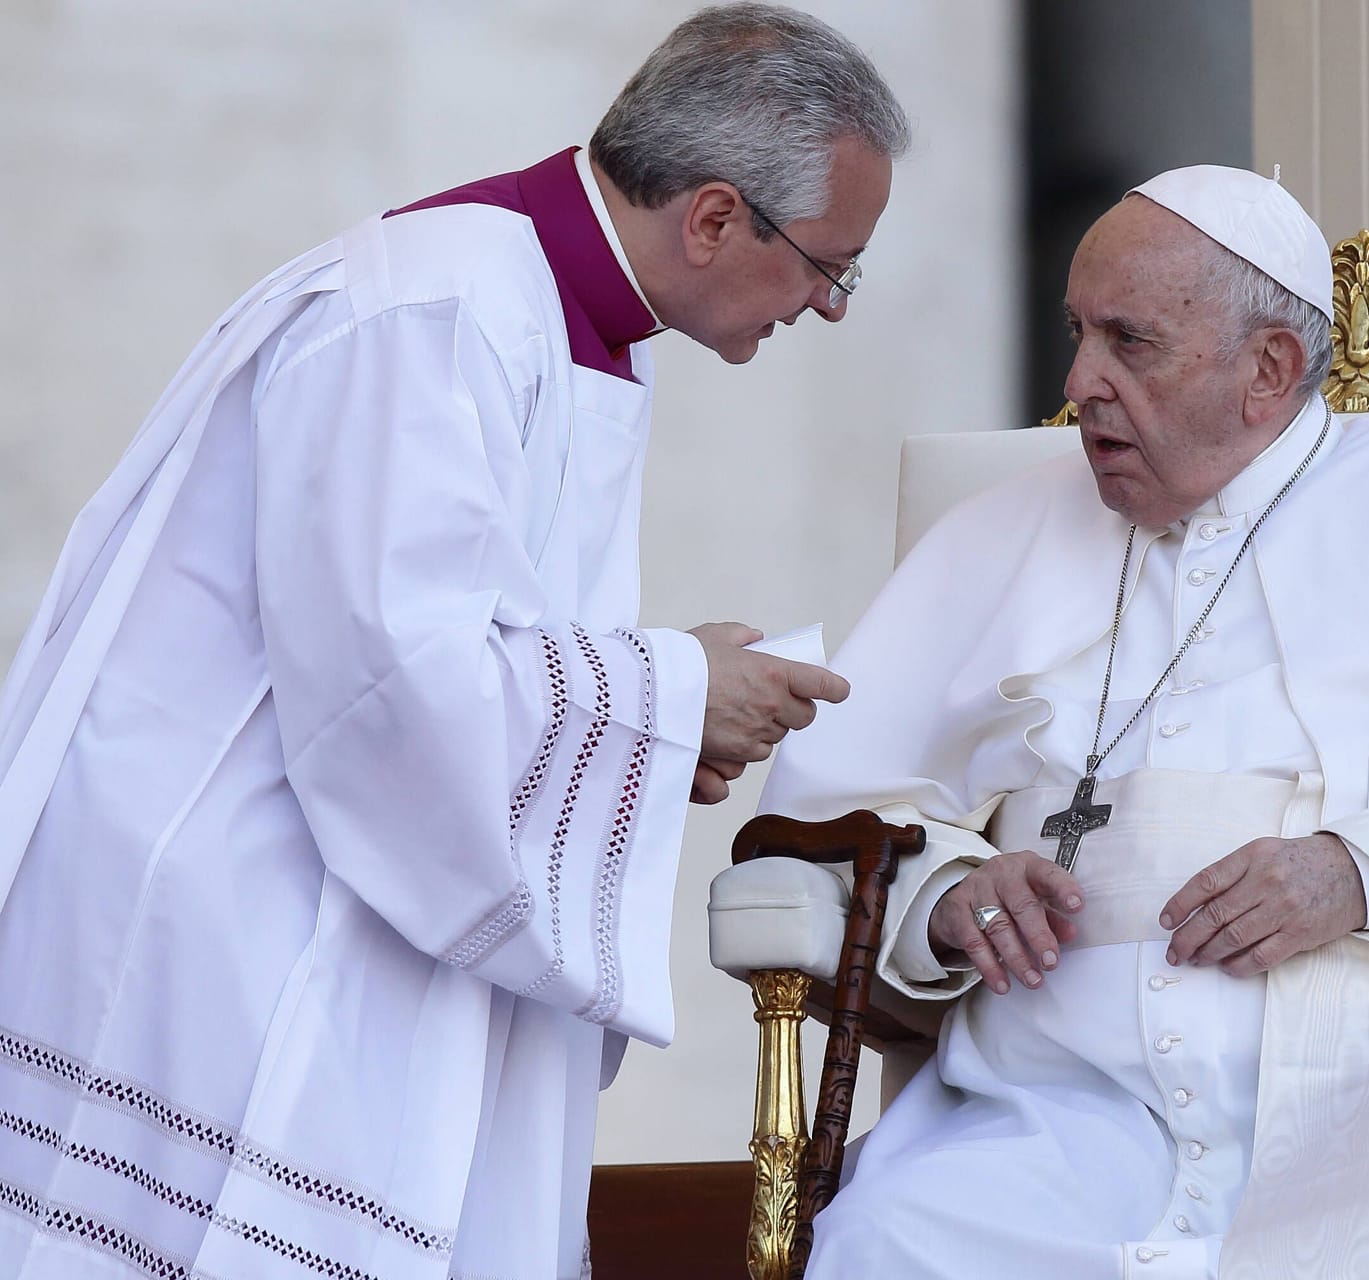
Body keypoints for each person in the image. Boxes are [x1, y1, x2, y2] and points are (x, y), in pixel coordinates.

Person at [0, 6, 904, 1277]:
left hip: (326, 890)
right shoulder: (439, 307)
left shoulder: (543, 314)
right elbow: (393, 683)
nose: (832, 305)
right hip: (238, 919)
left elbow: (460, 645)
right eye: (832, 265)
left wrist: (646, 733)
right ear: (713, 216)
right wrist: (670, 695)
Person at [755, 165, 1369, 1280]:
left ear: (1268, 371)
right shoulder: (997, 534)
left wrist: (1362, 869)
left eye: (1129, 342)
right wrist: (947, 891)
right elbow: (835, 807)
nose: (1079, 382)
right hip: (1059, 1092)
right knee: (895, 1241)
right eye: (1078, 332)